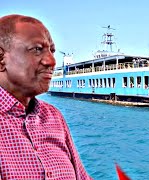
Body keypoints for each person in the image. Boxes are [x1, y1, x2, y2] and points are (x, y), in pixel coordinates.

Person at [0, 14, 92, 179]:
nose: (52, 61)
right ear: (1, 59)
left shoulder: (53, 117)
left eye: (52, 50)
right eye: (37, 49)